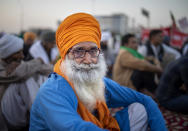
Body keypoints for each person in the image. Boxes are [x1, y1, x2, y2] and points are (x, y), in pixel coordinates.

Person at [30, 13, 167, 131]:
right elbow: (75, 128)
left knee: (139, 108)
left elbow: (144, 99)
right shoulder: (53, 91)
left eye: (93, 50)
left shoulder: (99, 82)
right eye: (79, 51)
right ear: (65, 55)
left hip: (98, 126)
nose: (88, 60)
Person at [0, 34, 53, 131]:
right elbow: (18, 74)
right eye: (18, 53)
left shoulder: (18, 65)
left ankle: (45, 112)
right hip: (0, 117)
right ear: (8, 54)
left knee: (42, 76)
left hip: (16, 114)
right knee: (24, 79)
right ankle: (42, 117)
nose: (22, 56)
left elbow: (45, 69)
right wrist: (38, 60)